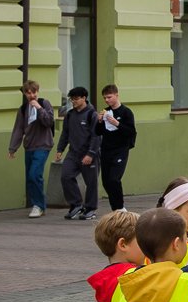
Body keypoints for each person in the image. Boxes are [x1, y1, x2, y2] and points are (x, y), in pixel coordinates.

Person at [8, 80, 57, 218]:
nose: (31, 95)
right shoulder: (23, 109)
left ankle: (39, 205)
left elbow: (49, 121)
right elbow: (18, 129)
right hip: (29, 146)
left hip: (43, 144)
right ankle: (38, 204)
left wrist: (39, 108)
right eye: (28, 93)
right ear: (25, 94)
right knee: (30, 177)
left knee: (34, 174)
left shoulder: (44, 103)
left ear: (38, 92)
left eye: (34, 92)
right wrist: (13, 148)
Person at [55, 87, 103, 221]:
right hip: (73, 153)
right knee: (66, 176)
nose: (73, 102)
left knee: (91, 183)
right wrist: (60, 149)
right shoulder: (70, 115)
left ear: (84, 98)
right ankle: (76, 204)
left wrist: (90, 154)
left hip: (89, 154)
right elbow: (65, 133)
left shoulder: (92, 115)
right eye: (72, 99)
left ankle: (90, 209)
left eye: (76, 99)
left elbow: (96, 136)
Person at [98, 85, 137, 213]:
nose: (107, 100)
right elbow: (97, 132)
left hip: (120, 150)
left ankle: (120, 207)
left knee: (114, 179)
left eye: (109, 97)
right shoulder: (105, 111)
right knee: (106, 182)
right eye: (105, 98)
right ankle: (115, 208)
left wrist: (117, 124)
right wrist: (99, 121)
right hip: (106, 149)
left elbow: (131, 132)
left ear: (116, 95)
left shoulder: (126, 112)